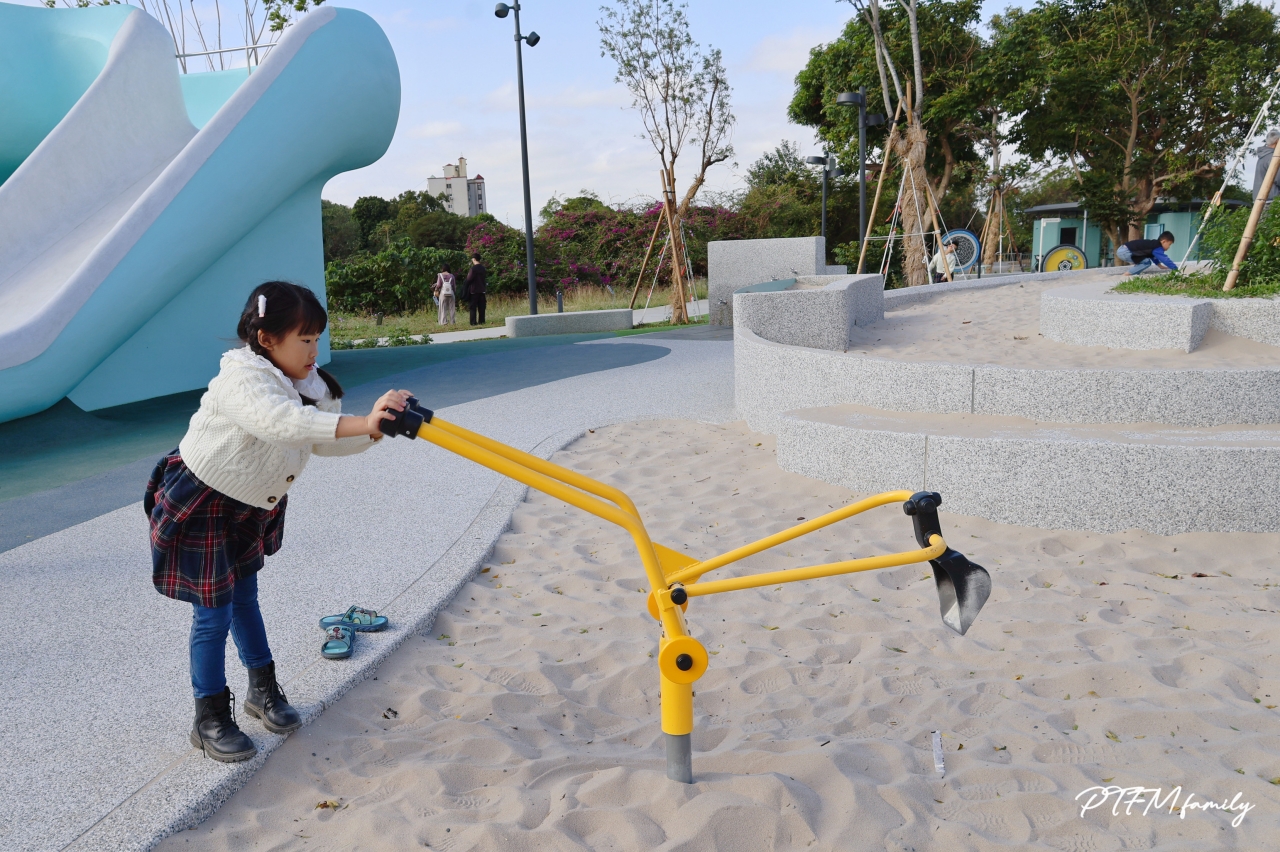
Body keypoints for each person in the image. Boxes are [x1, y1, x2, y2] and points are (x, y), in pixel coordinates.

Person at [144, 281, 413, 763]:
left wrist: (378, 429)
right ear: (267, 339)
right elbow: (284, 424)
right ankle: (207, 718)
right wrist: (363, 421)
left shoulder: (310, 385)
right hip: (203, 500)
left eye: (317, 338)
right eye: (304, 339)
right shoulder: (242, 379)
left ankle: (261, 689)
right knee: (213, 614)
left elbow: (325, 440)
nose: (315, 350)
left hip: (249, 504)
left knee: (245, 598)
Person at [1254, 129, 1280, 201]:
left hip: (1260, 199)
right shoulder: (1273, 158)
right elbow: (1278, 178)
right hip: (1271, 199)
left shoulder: (1263, 156)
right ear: (1277, 141)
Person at [464, 253, 488, 325]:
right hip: (482, 290)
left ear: (474, 259)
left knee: (473, 307)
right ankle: (482, 321)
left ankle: (473, 322)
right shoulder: (483, 268)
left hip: (474, 290)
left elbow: (469, 279)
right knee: (482, 307)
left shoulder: (473, 269)